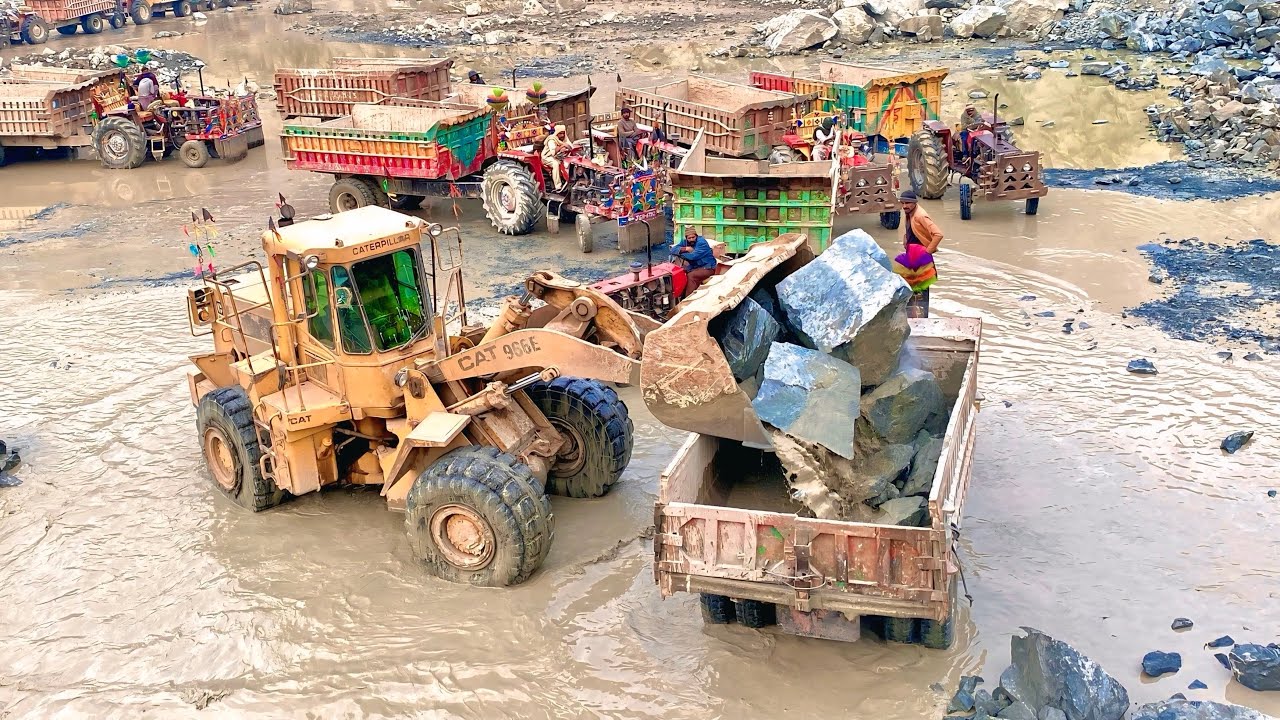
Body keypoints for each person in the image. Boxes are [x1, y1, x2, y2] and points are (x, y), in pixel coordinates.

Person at [897, 190, 944, 317]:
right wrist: (906, 238)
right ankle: (913, 318)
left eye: (907, 203)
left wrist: (927, 253)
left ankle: (922, 320)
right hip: (912, 256)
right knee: (911, 289)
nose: (904, 206)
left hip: (921, 258)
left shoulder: (920, 216)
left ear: (914, 203)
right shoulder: (909, 213)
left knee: (921, 291)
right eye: (903, 203)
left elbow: (938, 234)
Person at [672, 227, 717, 296]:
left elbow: (693, 256)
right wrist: (686, 249)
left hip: (708, 267)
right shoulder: (685, 242)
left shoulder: (701, 242)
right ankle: (679, 295)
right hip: (695, 266)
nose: (691, 239)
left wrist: (680, 253)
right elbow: (673, 250)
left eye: (693, 237)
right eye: (689, 238)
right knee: (680, 273)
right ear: (686, 238)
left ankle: (688, 298)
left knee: (691, 276)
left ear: (696, 236)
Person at [541, 124, 571, 190]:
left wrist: (566, 147)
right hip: (547, 157)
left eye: (563, 133)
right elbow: (553, 152)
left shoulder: (564, 139)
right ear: (557, 133)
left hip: (558, 156)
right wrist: (562, 147)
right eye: (560, 133)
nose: (562, 135)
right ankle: (558, 185)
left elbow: (570, 146)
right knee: (556, 164)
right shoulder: (551, 140)